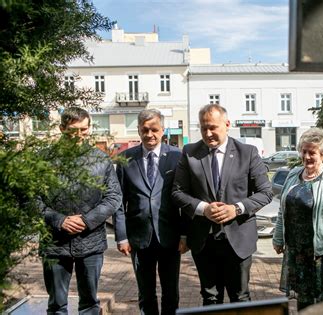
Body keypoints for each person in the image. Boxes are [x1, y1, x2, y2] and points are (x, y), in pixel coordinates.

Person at [172, 104, 272, 305]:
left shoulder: (248, 152)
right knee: (210, 298)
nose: (208, 133)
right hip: (204, 240)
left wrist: (236, 208)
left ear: (227, 125)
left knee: (240, 298)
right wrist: (203, 209)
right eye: (203, 128)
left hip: (239, 239)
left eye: (213, 127)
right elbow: (177, 192)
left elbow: (265, 193)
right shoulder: (190, 153)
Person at [39, 107, 122, 314]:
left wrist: (86, 220)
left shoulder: (100, 159)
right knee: (57, 304)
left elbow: (113, 198)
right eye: (73, 131)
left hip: (91, 241)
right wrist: (59, 220)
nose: (80, 136)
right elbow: (31, 199)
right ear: (61, 128)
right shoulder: (44, 159)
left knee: (90, 304)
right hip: (55, 243)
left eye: (84, 130)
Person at [272, 127, 323, 311]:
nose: (307, 157)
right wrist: (278, 237)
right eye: (304, 151)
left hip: (322, 255)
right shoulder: (293, 174)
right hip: (297, 253)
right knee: (303, 303)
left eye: (312, 152)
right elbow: (282, 210)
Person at [113, 109, 186, 315]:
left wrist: (184, 234)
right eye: (145, 130)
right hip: (139, 238)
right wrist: (121, 237)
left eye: (154, 129)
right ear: (138, 130)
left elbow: (184, 200)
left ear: (162, 130)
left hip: (169, 237)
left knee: (171, 293)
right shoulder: (125, 159)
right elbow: (119, 201)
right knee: (145, 294)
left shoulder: (177, 157)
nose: (150, 134)